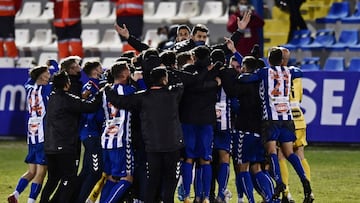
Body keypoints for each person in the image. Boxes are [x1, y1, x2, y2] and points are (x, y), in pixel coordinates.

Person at [238, 47, 313, 203]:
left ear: (269, 59)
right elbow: (300, 71)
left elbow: (245, 79)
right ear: (281, 60)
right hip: (287, 118)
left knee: (272, 150)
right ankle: (305, 180)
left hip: (271, 119)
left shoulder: (264, 73)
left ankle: (279, 182)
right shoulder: (290, 72)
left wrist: (240, 75)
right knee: (290, 153)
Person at [105, 66, 184, 203]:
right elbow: (182, 82)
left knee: (152, 180)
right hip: (173, 145)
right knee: (170, 180)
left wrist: (107, 90)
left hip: (152, 147)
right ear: (165, 79)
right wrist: (171, 71)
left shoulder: (142, 97)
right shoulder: (174, 94)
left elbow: (119, 101)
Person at [40, 71, 101, 203]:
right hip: (64, 146)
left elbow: (75, 103)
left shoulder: (53, 97)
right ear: (66, 84)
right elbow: (90, 107)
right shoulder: (67, 99)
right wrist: (101, 93)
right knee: (69, 178)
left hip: (50, 146)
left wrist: (81, 97)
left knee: (52, 179)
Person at [99, 62, 145, 203]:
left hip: (106, 139)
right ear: (124, 74)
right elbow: (145, 96)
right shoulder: (130, 91)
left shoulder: (105, 92)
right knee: (127, 178)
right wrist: (139, 81)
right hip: (122, 140)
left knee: (112, 177)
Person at [7, 65, 51, 203]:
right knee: (41, 172)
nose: (49, 74)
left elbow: (30, 81)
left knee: (31, 171)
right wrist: (52, 64)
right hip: (42, 133)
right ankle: (31, 201)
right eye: (47, 72)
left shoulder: (29, 89)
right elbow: (59, 76)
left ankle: (16, 194)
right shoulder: (47, 89)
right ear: (42, 76)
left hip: (32, 133)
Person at [278, 47, 313, 203]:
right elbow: (299, 96)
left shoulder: (274, 74)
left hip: (285, 116)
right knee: (300, 154)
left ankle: (286, 193)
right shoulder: (297, 73)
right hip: (299, 115)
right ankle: (309, 192)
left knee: (280, 156)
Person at [76, 61, 105, 203]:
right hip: (91, 133)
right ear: (94, 71)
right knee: (95, 172)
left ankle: (74, 198)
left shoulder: (95, 85)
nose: (102, 70)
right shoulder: (91, 86)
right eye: (100, 68)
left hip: (91, 133)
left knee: (86, 171)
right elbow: (88, 110)